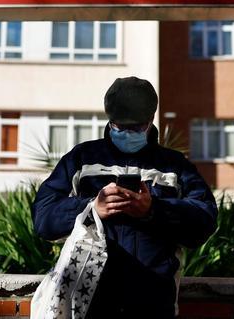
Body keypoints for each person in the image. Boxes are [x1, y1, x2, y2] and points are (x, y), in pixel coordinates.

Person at [32, 76, 218, 318]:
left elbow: (205, 221)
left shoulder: (175, 166)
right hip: (89, 305)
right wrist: (91, 208)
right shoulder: (82, 159)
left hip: (153, 306)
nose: (128, 133)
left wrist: (154, 210)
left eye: (137, 127)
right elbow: (43, 218)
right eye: (120, 126)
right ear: (109, 120)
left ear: (151, 120)